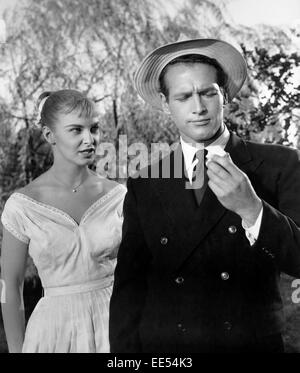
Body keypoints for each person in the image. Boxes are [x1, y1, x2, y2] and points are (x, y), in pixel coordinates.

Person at [109, 39, 300, 353]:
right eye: (183, 96)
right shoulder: (144, 182)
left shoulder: (280, 164)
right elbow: (130, 287)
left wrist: (253, 210)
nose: (198, 108)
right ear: (165, 102)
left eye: (208, 93)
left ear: (223, 94)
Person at [1, 89, 127, 353]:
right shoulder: (22, 205)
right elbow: (9, 285)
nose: (89, 139)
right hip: (53, 332)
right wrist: (15, 348)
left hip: (114, 324)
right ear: (50, 136)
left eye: (94, 128)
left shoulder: (118, 196)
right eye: (75, 130)